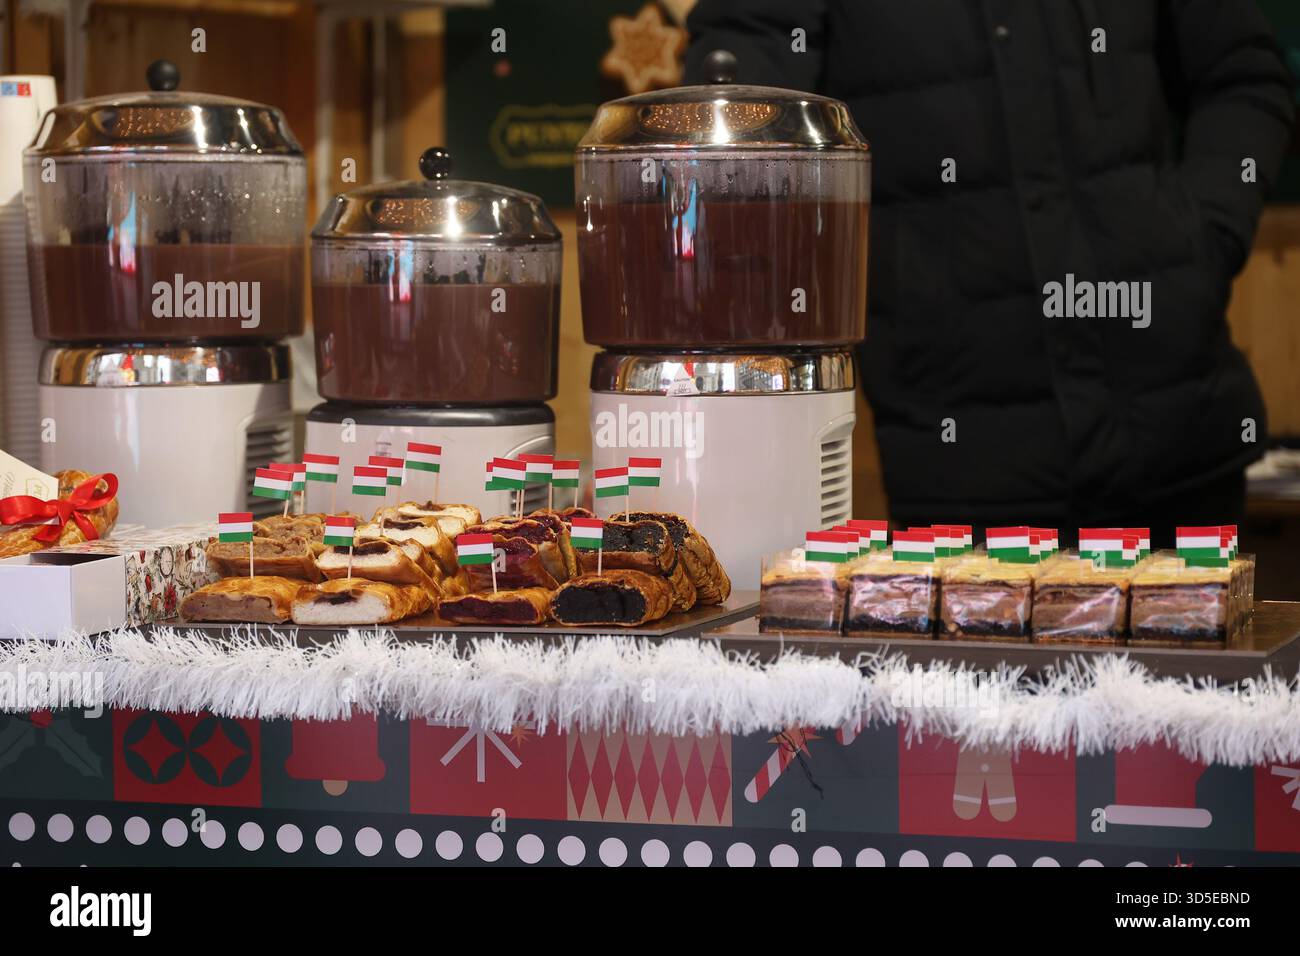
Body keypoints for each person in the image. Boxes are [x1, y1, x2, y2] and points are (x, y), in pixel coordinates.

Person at [685, 0, 1296, 547]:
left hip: (1178, 433)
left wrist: (1203, 241)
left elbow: (1243, 77)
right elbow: (745, 117)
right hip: (959, 450)